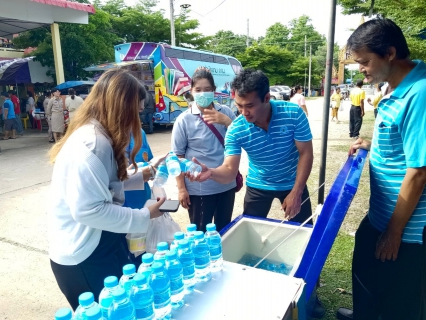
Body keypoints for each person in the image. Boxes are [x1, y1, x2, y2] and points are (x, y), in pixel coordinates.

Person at [189, 69, 324, 318]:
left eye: (249, 105)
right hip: (258, 185)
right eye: (239, 106)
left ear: (267, 98)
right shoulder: (238, 128)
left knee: (307, 240)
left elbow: (306, 153)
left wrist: (296, 192)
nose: (243, 112)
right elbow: (229, 171)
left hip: (292, 182)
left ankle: (310, 296)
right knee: (250, 234)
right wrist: (212, 173)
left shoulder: (293, 113)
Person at [48, 68, 166, 310]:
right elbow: (89, 210)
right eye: (137, 112)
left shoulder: (98, 134)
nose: (139, 120)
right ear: (122, 108)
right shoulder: (94, 143)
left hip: (100, 243)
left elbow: (102, 186)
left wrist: (140, 176)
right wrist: (146, 215)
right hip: (84, 255)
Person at [336, 18, 426, 320]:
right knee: (366, 268)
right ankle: (365, 312)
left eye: (364, 61)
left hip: (408, 230)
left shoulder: (420, 92)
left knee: (400, 301)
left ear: (389, 52)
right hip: (381, 214)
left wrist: (394, 232)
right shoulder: (392, 88)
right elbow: (403, 147)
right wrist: (371, 147)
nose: (361, 68)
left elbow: (419, 171)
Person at [172, 68, 236, 233]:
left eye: (207, 89)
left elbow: (242, 139)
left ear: (214, 91)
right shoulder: (184, 120)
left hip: (226, 185)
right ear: (192, 91)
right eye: (198, 90)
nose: (203, 93)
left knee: (224, 233)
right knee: (200, 235)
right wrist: (181, 188)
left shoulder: (227, 113)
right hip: (199, 190)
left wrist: (228, 122)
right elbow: (177, 157)